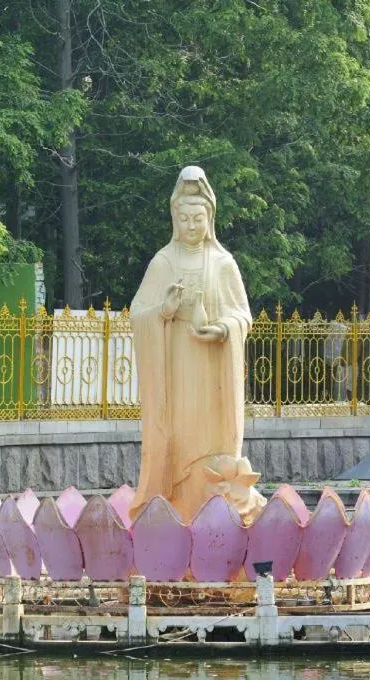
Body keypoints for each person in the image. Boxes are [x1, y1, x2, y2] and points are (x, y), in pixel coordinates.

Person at [129, 166, 265, 524]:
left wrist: (223, 329)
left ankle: (219, 516)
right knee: (179, 442)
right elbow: (138, 313)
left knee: (213, 450)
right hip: (176, 368)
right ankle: (177, 511)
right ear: (175, 218)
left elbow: (242, 316)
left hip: (211, 369)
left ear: (210, 218)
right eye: (185, 218)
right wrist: (164, 310)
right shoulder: (164, 261)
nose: (191, 226)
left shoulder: (223, 263)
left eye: (198, 218)